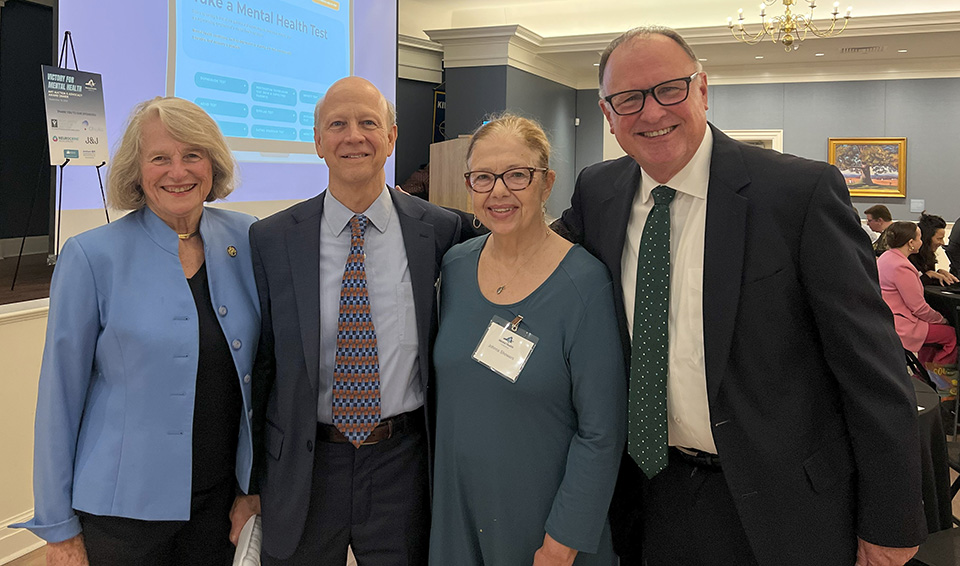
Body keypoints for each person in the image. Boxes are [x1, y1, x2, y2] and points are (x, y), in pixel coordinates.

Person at [555, 26, 925, 566]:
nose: (651, 112)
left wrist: (891, 519)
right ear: (608, 115)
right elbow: (536, 258)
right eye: (628, 99)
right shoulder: (598, 191)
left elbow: (871, 366)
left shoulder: (797, 194)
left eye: (669, 89)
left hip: (787, 505)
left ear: (703, 89)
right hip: (648, 494)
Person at [13, 97, 260, 565]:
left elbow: (266, 374)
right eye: (160, 158)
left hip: (220, 506)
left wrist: (254, 487)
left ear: (213, 164)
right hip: (121, 514)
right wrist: (58, 528)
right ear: (136, 169)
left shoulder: (247, 240)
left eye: (193, 154)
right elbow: (58, 399)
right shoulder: (92, 256)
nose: (178, 171)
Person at [239, 76, 460, 565]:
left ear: (392, 137)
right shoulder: (273, 239)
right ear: (318, 142)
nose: (353, 136)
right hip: (305, 463)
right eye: (337, 124)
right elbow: (263, 368)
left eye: (368, 123)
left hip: (403, 462)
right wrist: (250, 484)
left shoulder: (442, 232)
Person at [429, 115, 626, 565]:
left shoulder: (585, 283)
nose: (498, 191)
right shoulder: (455, 267)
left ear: (546, 183)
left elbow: (601, 432)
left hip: (544, 523)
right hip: (457, 509)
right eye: (483, 177)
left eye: (517, 175)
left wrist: (562, 543)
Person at [878, 221, 957, 370]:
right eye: (920, 238)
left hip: (888, 320)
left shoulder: (886, 258)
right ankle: (941, 381)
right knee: (951, 335)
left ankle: (924, 375)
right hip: (901, 324)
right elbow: (918, 308)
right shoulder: (902, 266)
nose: (922, 242)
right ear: (911, 243)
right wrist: (942, 319)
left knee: (935, 335)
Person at [909, 212, 959, 286]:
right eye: (939, 239)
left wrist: (939, 273)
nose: (942, 243)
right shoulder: (909, 258)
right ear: (927, 238)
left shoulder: (928, 255)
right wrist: (929, 275)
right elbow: (910, 285)